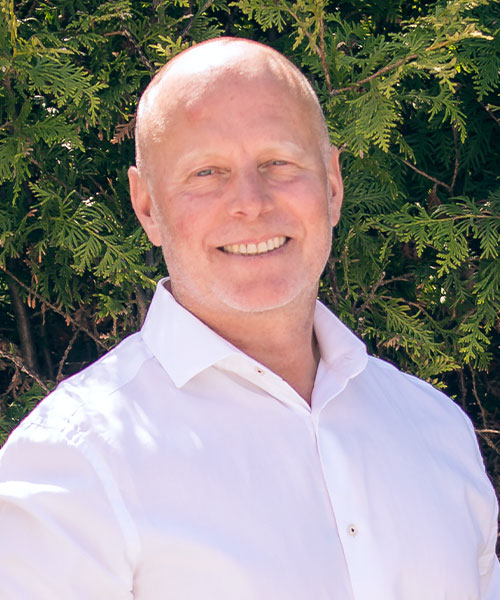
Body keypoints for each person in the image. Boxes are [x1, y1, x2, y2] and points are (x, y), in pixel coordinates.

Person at [0, 37, 498, 600]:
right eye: (206, 172)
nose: (252, 202)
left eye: (278, 162)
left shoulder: (436, 430)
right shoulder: (78, 461)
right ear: (147, 207)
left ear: (332, 185)